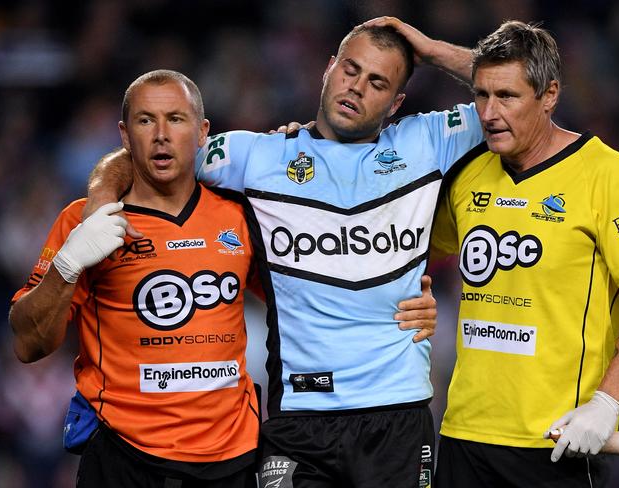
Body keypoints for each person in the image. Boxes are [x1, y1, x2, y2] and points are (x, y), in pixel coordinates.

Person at [86, 19, 482, 487]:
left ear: (396, 103)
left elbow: (516, 88)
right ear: (328, 69)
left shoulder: (427, 142)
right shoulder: (255, 156)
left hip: (396, 415)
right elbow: (147, 151)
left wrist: (432, 50)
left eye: (377, 82)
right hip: (298, 419)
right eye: (350, 70)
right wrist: (99, 200)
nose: (355, 88)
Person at [9, 70, 261, 487]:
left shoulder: (239, 214)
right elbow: (27, 343)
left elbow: (298, 302)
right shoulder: (85, 220)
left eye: (176, 119)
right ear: (125, 136)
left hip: (233, 459)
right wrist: (68, 263)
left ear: (202, 133)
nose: (161, 134)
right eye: (146, 121)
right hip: (125, 460)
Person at [427, 21, 619, 487]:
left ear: (549, 96)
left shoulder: (607, 175)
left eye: (507, 96)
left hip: (558, 440)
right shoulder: (470, 174)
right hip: (463, 433)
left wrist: (608, 401)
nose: (489, 112)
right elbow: (412, 254)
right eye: (481, 95)